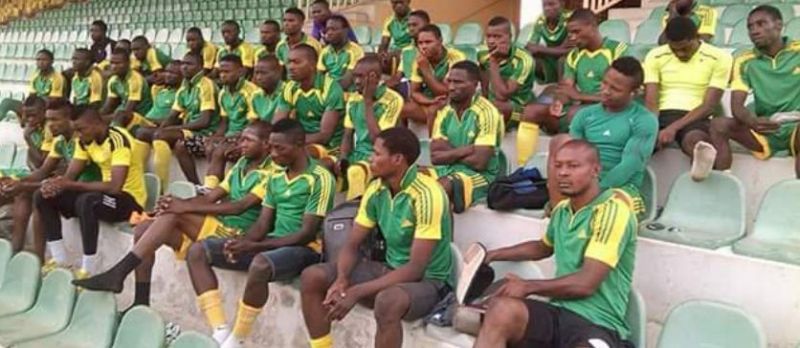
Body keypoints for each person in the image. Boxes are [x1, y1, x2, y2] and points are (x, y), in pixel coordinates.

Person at [73, 121, 277, 307]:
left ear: (267, 144)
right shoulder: (241, 165)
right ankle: (140, 302)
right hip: (216, 226)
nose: (240, 144)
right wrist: (172, 204)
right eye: (241, 138)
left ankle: (118, 273)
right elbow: (209, 198)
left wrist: (183, 208)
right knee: (145, 227)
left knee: (175, 214)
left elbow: (238, 207)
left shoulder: (272, 174)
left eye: (248, 140)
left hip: (235, 235)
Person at [184, 119, 334, 348]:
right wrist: (241, 243)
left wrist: (254, 247)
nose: (272, 154)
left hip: (306, 250)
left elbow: (306, 233)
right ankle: (220, 331)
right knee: (198, 251)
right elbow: (263, 225)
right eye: (271, 147)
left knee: (260, 265)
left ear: (300, 144)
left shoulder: (320, 178)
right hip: (272, 244)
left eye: (279, 148)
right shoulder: (275, 177)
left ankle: (237, 339)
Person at [474, 139, 637, 348]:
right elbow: (543, 247)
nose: (563, 173)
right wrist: (493, 255)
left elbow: (586, 284)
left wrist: (528, 287)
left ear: (595, 170)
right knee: (501, 310)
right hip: (558, 314)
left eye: (573, 166)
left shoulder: (612, 210)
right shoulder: (562, 211)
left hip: (598, 323)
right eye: (558, 165)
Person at [301, 126, 453, 348]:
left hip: (428, 282)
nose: (370, 159)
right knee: (312, 276)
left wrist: (355, 292)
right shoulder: (376, 189)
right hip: (390, 269)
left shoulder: (428, 194)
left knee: (387, 302)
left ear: (397, 159)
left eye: (377, 154)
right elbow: (353, 245)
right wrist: (342, 278)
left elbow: (415, 269)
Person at [37, 106, 146, 277]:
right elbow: (70, 176)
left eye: (81, 129)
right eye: (75, 131)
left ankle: (88, 269)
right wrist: (55, 185)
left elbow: (115, 187)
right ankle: (59, 259)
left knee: (87, 201)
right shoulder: (84, 141)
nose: (78, 135)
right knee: (43, 195)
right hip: (104, 197)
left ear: (97, 123)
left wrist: (69, 185)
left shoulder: (118, 139)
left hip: (129, 201)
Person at [548, 57, 657, 216]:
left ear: (634, 92)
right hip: (582, 185)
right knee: (561, 142)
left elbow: (630, 166)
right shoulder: (585, 115)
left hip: (622, 189)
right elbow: (573, 157)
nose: (605, 91)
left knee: (608, 210)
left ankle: (569, 212)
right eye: (604, 83)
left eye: (615, 89)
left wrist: (592, 194)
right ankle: (558, 214)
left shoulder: (644, 120)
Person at [517, 9, 628, 166]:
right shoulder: (574, 55)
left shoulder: (617, 50)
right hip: (579, 110)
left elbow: (621, 95)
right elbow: (566, 88)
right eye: (570, 33)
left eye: (577, 32)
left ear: (592, 26)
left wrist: (579, 96)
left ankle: (577, 164)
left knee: (575, 114)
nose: (572, 38)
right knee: (530, 111)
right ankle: (523, 167)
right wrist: (558, 101)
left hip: (610, 111)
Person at [706, 6, 800, 179]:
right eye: (750, 27)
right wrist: (753, 121)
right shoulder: (744, 61)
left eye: (761, 24)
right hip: (766, 128)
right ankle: (724, 186)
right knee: (718, 125)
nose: (754, 30)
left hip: (797, 127)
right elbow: (737, 106)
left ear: (779, 25)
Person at [643, 17, 731, 158]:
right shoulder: (655, 56)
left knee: (696, 143)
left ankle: (704, 171)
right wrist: (651, 129)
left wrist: (673, 128)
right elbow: (651, 102)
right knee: (637, 144)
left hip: (696, 117)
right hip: (661, 115)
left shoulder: (720, 57)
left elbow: (708, 106)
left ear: (697, 37)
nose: (680, 54)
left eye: (685, 48)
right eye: (674, 50)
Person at [430, 61, 504, 213]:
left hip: (482, 176)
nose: (451, 87)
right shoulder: (445, 111)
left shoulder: (487, 112)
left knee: (439, 188)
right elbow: (435, 156)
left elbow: (479, 162)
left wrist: (449, 153)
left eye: (458, 82)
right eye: (449, 81)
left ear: (474, 84)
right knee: (410, 178)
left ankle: (436, 236)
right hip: (449, 169)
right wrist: (468, 149)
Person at [186, 55, 263, 189]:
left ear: (240, 72)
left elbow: (253, 125)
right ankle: (199, 185)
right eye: (221, 72)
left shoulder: (251, 92)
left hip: (243, 137)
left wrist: (229, 138)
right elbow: (224, 122)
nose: (222, 75)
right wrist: (215, 137)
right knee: (185, 145)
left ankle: (213, 189)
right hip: (228, 136)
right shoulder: (223, 93)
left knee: (219, 149)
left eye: (227, 72)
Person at [339, 55, 404, 200]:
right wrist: (342, 159)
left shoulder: (393, 99)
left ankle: (355, 214)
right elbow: (347, 135)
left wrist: (367, 102)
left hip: (382, 156)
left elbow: (378, 139)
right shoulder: (353, 99)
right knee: (326, 169)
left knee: (356, 171)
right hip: (357, 154)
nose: (356, 81)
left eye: (360, 77)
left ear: (374, 77)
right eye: (355, 76)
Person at [150, 52, 218, 186]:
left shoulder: (206, 85)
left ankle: (164, 185)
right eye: (183, 64)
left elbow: (204, 121)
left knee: (164, 136)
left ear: (200, 67)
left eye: (189, 64)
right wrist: (163, 128)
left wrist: (170, 129)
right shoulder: (184, 88)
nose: (184, 67)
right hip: (189, 130)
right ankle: (159, 183)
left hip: (206, 132)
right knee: (144, 133)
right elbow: (172, 116)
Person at [273, 44, 345, 169]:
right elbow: (277, 125)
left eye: (296, 62)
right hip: (298, 143)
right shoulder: (290, 87)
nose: (290, 67)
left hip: (329, 148)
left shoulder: (330, 89)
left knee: (295, 158)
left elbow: (324, 136)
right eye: (289, 62)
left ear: (312, 65)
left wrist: (290, 143)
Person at [0, 97, 53, 257]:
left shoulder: (49, 129)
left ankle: (18, 248)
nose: (29, 120)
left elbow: (42, 163)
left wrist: (28, 139)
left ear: (44, 112)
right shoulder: (33, 127)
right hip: (36, 173)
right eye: (26, 115)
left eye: (33, 115)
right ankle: (10, 247)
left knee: (24, 193)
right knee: (4, 187)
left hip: (51, 175)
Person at [402, 24, 466, 131]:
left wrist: (426, 71)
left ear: (440, 41)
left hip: (452, 102)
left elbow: (446, 91)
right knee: (400, 108)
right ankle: (402, 142)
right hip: (431, 102)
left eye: (428, 42)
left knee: (433, 110)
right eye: (420, 43)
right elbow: (414, 92)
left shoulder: (456, 57)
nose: (423, 46)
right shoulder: (419, 60)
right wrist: (430, 101)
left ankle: (433, 144)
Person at [478, 16, 535, 123]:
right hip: (494, 102)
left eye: (497, 36)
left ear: (510, 37)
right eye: (488, 36)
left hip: (517, 107)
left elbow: (502, 95)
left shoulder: (524, 59)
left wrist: (494, 62)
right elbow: (483, 77)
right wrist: (484, 98)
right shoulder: (482, 54)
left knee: (497, 108)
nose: (491, 41)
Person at [100, 48, 154, 132]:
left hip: (140, 115)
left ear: (128, 63)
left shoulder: (135, 79)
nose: (114, 66)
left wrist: (104, 119)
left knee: (118, 117)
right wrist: (97, 117)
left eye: (118, 63)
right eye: (112, 63)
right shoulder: (113, 80)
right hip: (123, 111)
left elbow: (128, 110)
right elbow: (108, 106)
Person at [133, 60, 182, 144]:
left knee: (140, 131)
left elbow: (177, 120)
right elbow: (155, 78)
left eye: (173, 73)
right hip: (147, 121)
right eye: (167, 71)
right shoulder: (158, 89)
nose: (168, 75)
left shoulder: (181, 94)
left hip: (160, 126)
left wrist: (152, 121)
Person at [526, 0, 572, 84]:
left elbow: (569, 49)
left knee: (562, 60)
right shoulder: (541, 19)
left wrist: (540, 49)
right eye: (544, 5)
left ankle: (562, 87)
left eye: (551, 4)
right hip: (550, 58)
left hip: (567, 59)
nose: (547, 8)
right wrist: (558, 49)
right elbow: (530, 46)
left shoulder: (570, 18)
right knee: (529, 59)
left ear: (562, 3)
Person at [387, 9, 430, 95]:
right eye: (409, 26)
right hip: (407, 88)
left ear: (427, 25)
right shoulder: (407, 50)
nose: (411, 29)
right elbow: (398, 77)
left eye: (414, 25)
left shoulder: (431, 50)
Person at [318, 14, 365, 91]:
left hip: (349, 94)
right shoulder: (324, 52)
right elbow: (319, 78)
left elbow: (346, 82)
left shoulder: (356, 51)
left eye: (334, 29)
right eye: (327, 30)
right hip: (328, 93)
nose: (329, 33)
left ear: (345, 31)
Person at [249, 55, 286, 124]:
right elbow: (253, 122)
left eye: (264, 73)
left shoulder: (287, 92)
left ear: (278, 72)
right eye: (256, 73)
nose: (259, 77)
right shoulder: (256, 96)